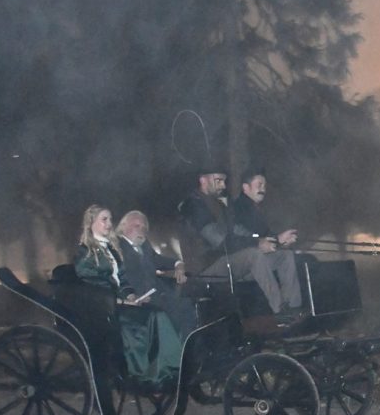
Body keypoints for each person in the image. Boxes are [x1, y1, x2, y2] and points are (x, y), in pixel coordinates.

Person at [74, 204, 182, 387]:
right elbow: (92, 285)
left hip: (121, 302)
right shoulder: (85, 252)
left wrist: (131, 297)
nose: (109, 224)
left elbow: (122, 280)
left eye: (110, 219)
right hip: (104, 307)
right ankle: (145, 373)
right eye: (104, 220)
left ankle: (168, 368)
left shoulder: (112, 249)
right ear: (91, 223)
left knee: (157, 316)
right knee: (153, 316)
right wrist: (121, 301)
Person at [178, 166, 303, 322]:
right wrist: (257, 243)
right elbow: (220, 241)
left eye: (224, 181)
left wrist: (276, 239)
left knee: (284, 256)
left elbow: (239, 231)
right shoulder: (193, 206)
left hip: (229, 262)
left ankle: (294, 308)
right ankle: (279, 312)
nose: (224, 185)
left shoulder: (219, 205)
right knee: (254, 254)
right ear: (203, 180)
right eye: (219, 181)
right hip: (205, 269)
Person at [116, 210, 197, 339]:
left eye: (144, 228)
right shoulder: (117, 247)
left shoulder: (145, 245)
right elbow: (118, 278)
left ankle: (188, 349)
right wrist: (130, 297)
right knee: (173, 313)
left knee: (187, 305)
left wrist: (178, 264)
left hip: (158, 294)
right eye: (137, 226)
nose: (142, 230)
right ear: (123, 227)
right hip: (140, 298)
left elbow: (158, 260)